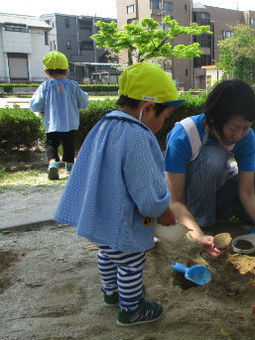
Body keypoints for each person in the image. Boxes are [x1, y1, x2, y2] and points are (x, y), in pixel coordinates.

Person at [53, 62, 182, 326]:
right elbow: (147, 194)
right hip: (124, 220)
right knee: (131, 263)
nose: (163, 123)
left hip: (102, 214)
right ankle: (131, 308)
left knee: (107, 255)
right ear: (147, 108)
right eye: (164, 117)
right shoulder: (138, 136)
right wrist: (165, 213)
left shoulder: (105, 124)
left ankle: (111, 293)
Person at [164, 79, 255, 257]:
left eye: (246, 128)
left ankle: (233, 214)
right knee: (213, 156)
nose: (239, 135)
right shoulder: (184, 135)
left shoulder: (246, 137)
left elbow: (247, 192)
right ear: (213, 119)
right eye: (233, 128)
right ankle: (204, 222)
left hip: (221, 192)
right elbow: (175, 201)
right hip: (192, 199)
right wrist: (199, 236)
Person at [30, 51, 89, 180]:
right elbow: (83, 100)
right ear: (67, 71)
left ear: (46, 71)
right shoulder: (72, 85)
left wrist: (40, 110)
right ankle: (69, 165)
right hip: (70, 122)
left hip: (52, 122)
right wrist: (78, 106)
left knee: (51, 144)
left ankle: (53, 163)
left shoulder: (44, 86)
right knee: (69, 144)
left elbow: (36, 103)